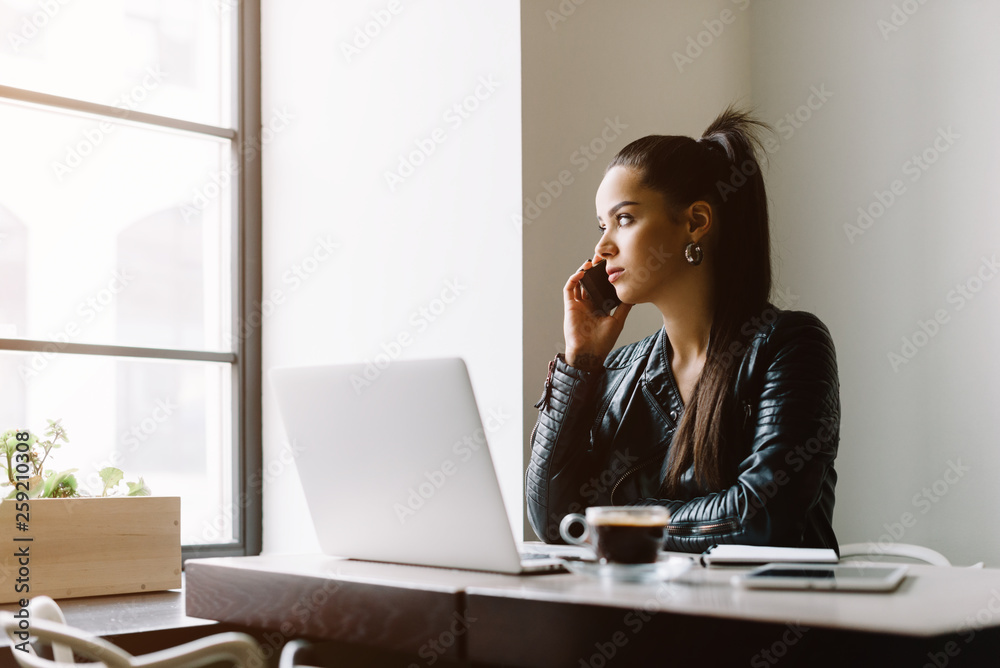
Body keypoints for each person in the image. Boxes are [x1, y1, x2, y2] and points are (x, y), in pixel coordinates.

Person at [525, 105, 840, 554]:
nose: (602, 246)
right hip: (644, 617)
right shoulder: (618, 371)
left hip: (766, 618)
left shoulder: (789, 347)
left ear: (695, 222)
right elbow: (555, 523)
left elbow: (762, 516)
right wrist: (581, 364)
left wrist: (621, 523)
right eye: (601, 224)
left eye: (625, 219)